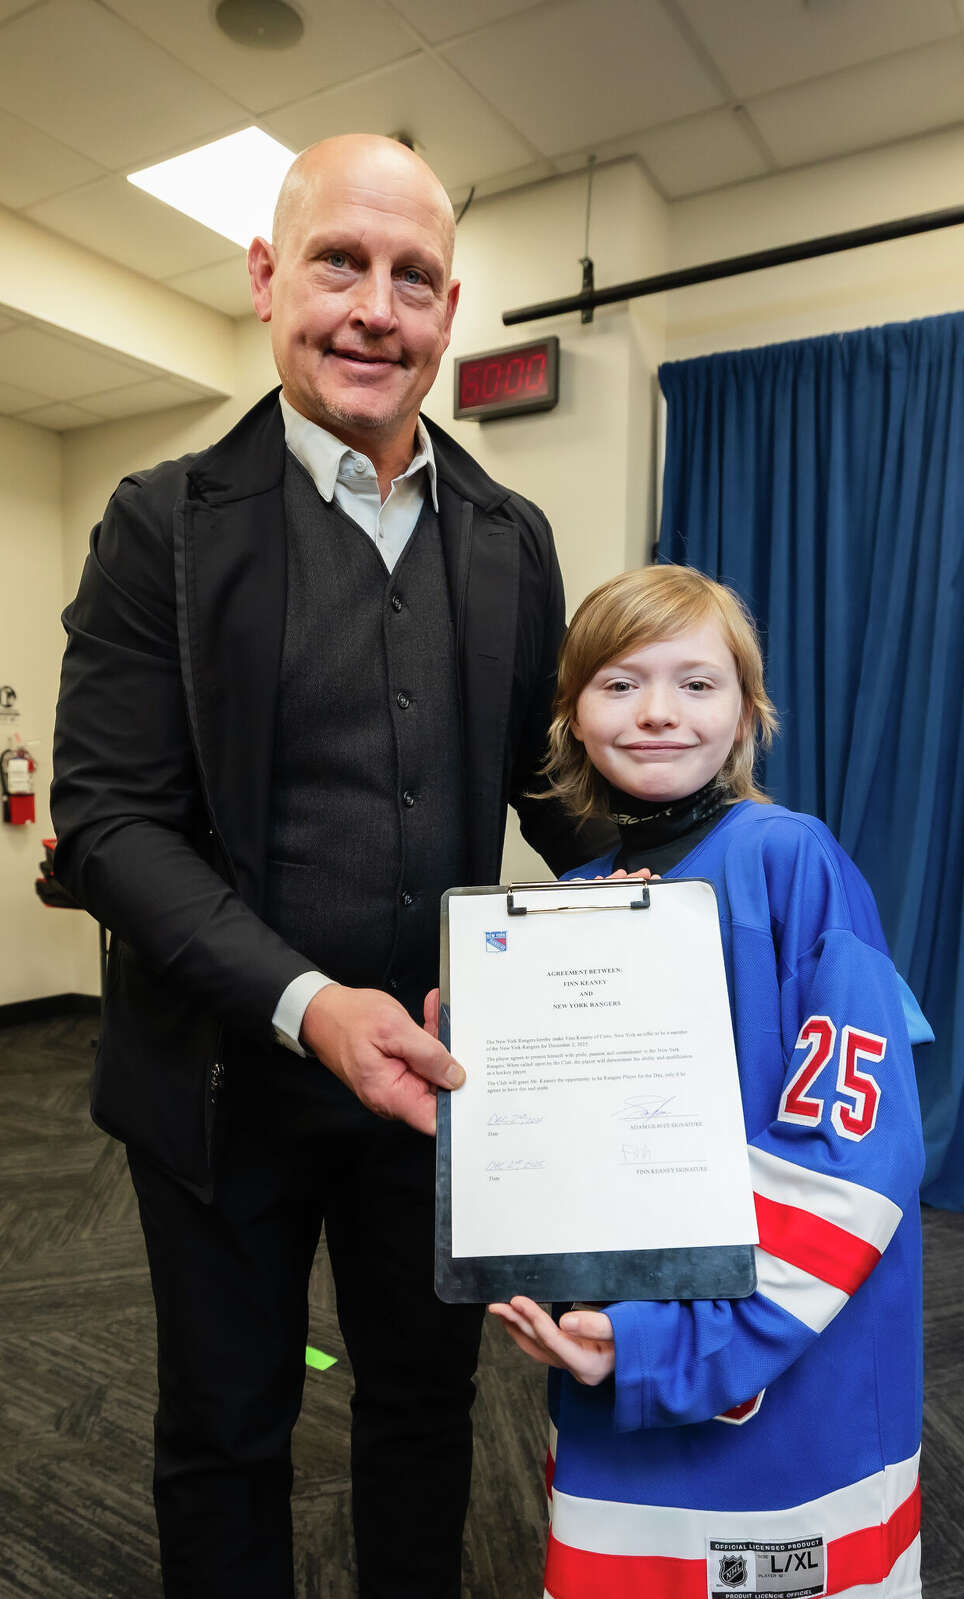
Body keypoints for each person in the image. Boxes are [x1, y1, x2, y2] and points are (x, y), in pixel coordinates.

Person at [51, 133, 592, 1599]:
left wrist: (710, 881)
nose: (373, 309)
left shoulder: (512, 537)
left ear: (450, 310)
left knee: (423, 1409)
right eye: (338, 262)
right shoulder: (160, 527)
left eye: (412, 278)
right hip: (219, 1089)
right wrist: (310, 1005)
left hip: (433, 1089)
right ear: (265, 277)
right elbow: (109, 825)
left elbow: (547, 789)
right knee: (228, 1430)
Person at [488, 564, 925, 1598]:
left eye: (695, 683)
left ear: (745, 713)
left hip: (772, 1358)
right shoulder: (570, 899)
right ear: (571, 717)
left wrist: (676, 1342)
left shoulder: (791, 861)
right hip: (617, 1342)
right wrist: (479, 1092)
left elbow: (854, 1158)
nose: (656, 713)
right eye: (619, 683)